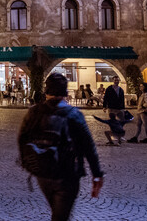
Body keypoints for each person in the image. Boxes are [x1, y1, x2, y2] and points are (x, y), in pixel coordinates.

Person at [18, 73, 103, 221]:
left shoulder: (34, 112)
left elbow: (22, 138)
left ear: (47, 91)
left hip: (43, 173)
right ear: (65, 91)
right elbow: (88, 146)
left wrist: (28, 161)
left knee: (58, 213)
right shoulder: (73, 114)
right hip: (67, 174)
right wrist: (97, 174)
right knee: (60, 216)